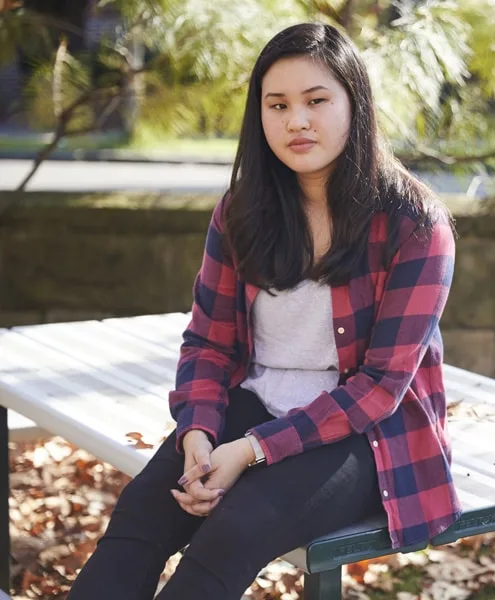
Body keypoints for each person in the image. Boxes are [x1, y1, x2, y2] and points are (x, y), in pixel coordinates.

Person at [68, 22, 461, 600]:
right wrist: (198, 431)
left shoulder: (415, 224)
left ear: (356, 103)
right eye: (277, 105)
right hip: (254, 403)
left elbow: (380, 387)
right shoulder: (242, 211)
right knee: (142, 514)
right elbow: (208, 343)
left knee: (232, 533)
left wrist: (251, 450)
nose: (296, 121)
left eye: (316, 101)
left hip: (366, 432)